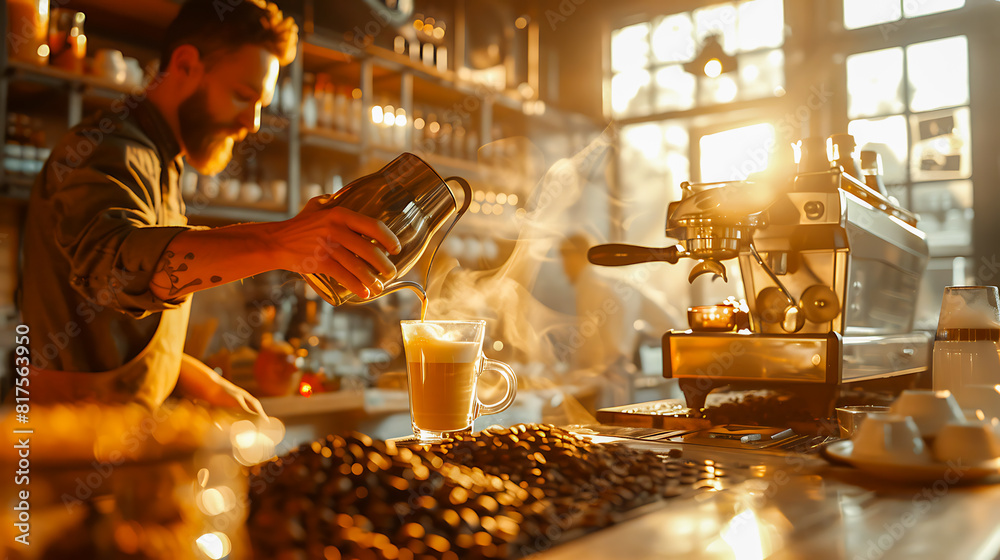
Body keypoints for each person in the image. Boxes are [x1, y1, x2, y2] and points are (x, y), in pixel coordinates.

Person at [19, 0, 400, 412]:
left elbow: (112, 330)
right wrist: (281, 243)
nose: (252, 122)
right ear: (184, 65)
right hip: (59, 448)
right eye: (242, 95)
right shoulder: (108, 148)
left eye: (261, 104)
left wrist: (204, 382)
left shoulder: (160, 160)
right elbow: (114, 270)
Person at [558, 232, 682, 407]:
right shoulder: (620, 281)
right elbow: (670, 323)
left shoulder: (591, 286)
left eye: (564, 257)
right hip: (621, 381)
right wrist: (636, 334)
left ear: (577, 256)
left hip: (599, 388)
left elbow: (589, 349)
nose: (562, 267)